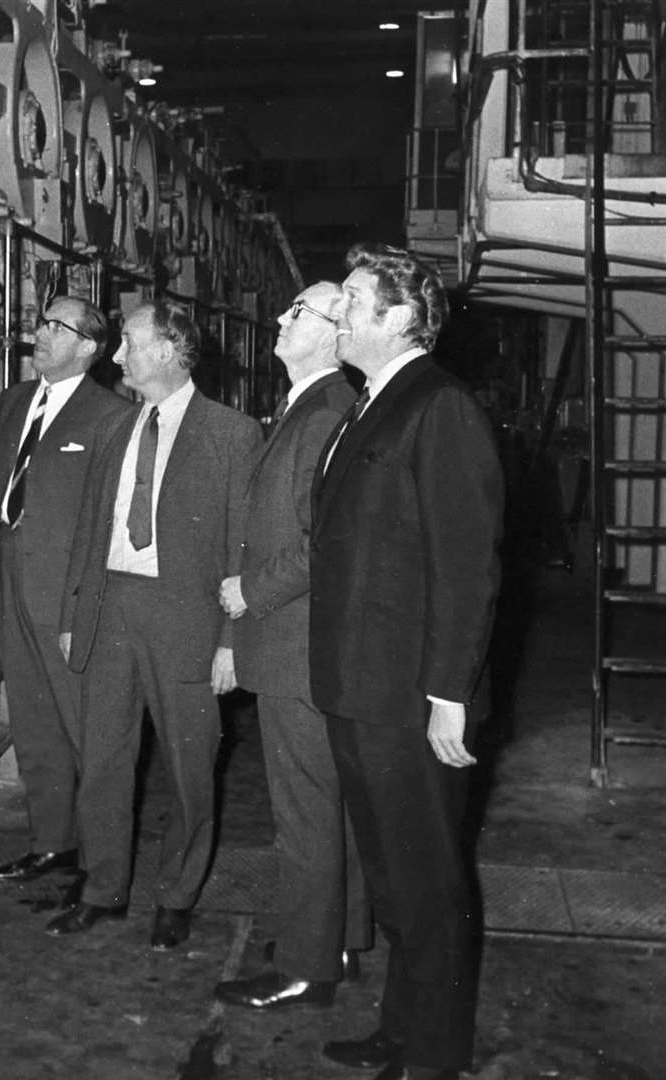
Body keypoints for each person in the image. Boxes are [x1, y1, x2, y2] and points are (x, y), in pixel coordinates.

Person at [311, 244, 503, 1080]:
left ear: (398, 318)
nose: (339, 312)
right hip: (360, 685)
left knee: (426, 885)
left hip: (407, 695)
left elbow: (467, 564)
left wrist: (448, 693)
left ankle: (432, 1055)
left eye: (353, 298)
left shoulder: (439, 406)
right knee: (394, 880)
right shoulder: (372, 403)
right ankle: (400, 1029)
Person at [51, 300, 261, 942]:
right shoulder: (117, 427)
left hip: (187, 621)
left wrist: (233, 641)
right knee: (105, 759)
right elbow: (90, 528)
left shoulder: (233, 433)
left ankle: (177, 896)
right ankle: (105, 887)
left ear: (168, 349)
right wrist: (73, 613)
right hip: (111, 609)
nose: (118, 358)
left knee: (189, 768)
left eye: (130, 346)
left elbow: (243, 548)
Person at [214, 282, 371, 1010]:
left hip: (297, 643)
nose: (279, 318)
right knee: (325, 805)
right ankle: (333, 937)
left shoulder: (328, 410)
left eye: (298, 312)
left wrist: (253, 591)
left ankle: (307, 965)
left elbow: (325, 540)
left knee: (305, 810)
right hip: (298, 645)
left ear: (337, 332)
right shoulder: (308, 405)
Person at [0, 296, 132, 883]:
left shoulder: (111, 416)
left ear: (89, 347)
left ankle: (100, 856)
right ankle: (52, 842)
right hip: (11, 579)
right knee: (32, 718)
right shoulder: (14, 402)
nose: (39, 333)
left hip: (68, 592)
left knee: (84, 726)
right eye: (41, 322)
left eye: (57, 327)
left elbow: (110, 522)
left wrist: (88, 605)